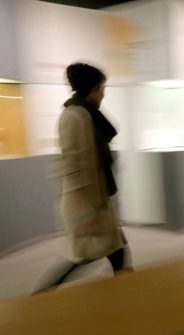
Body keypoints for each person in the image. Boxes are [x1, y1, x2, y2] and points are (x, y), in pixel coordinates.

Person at [33, 62, 131, 294]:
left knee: (116, 255)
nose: (104, 93)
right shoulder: (74, 117)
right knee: (82, 259)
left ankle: (129, 297)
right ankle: (39, 297)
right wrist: (85, 213)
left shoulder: (86, 113)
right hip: (87, 206)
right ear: (94, 88)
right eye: (102, 87)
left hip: (96, 203)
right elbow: (72, 168)